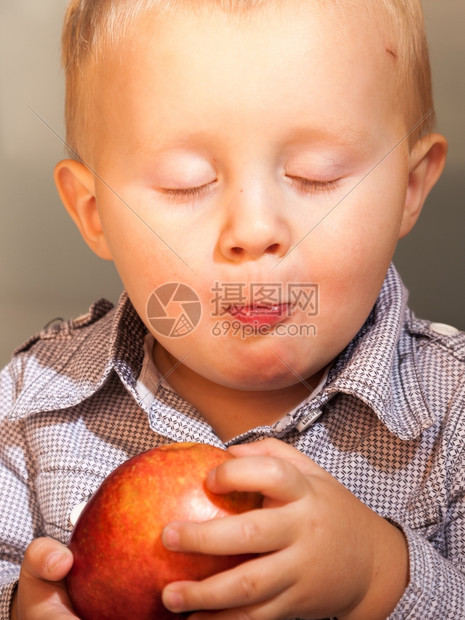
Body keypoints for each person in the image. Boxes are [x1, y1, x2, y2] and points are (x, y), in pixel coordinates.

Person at [1, 0, 462, 618]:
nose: (253, 229)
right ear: (93, 212)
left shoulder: (451, 420)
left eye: (315, 175)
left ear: (408, 189)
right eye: (186, 182)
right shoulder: (29, 412)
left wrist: (378, 575)